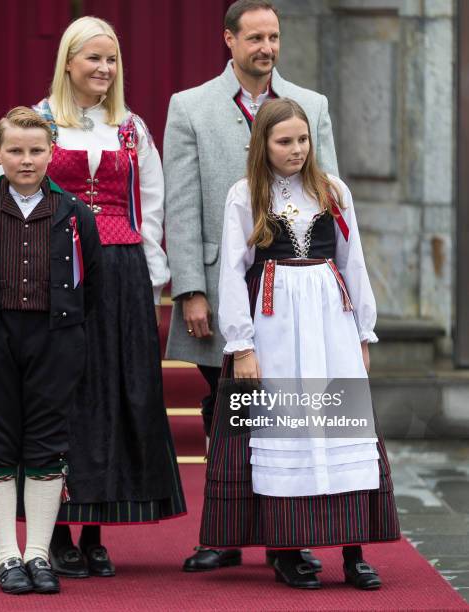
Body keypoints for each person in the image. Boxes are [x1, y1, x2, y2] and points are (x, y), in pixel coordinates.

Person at [0, 16, 186, 579]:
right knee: (64, 394)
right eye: (94, 59)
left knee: (118, 391)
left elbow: (150, 203)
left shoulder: (131, 127)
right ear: (68, 63)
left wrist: (152, 276)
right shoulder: (40, 123)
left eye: (112, 60)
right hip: (57, 273)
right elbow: (0, 196)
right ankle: (57, 535)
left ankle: (96, 529)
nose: (104, 69)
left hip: (121, 273)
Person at [163, 0, 337, 572]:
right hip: (220, 287)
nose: (267, 47)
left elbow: (329, 202)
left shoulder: (311, 106)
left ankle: (291, 529)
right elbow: (182, 205)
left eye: (274, 37)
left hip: (296, 293)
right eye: (255, 37)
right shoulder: (189, 107)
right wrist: (191, 288)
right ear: (229, 40)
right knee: (229, 406)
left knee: (286, 409)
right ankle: (227, 529)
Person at [200, 97, 400, 589]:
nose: (295, 149)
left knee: (342, 427)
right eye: (284, 141)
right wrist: (241, 344)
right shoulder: (246, 195)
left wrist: (362, 332)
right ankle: (286, 550)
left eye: (302, 140)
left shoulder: (332, 191)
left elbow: (354, 263)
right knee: (284, 431)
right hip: (276, 328)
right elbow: (231, 272)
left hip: (331, 324)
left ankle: (354, 552)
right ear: (263, 145)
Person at [0, 107, 102, 594]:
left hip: (56, 340)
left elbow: (91, 280)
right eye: (15, 150)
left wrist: (64, 324)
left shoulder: (75, 213)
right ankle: (7, 557)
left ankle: (38, 554)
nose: (26, 160)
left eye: (36, 151)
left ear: (52, 154)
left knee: (46, 442)